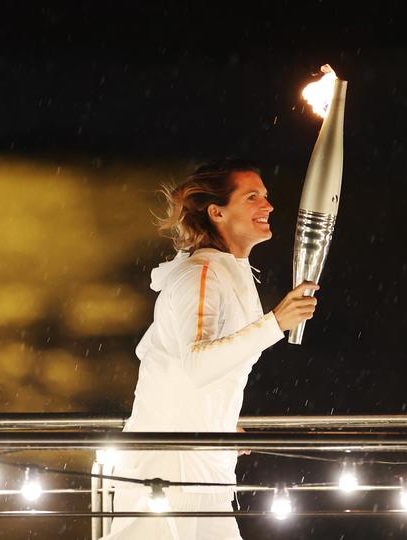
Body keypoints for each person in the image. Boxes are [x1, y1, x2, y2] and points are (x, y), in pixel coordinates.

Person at [103, 159, 318, 540]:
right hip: (170, 468)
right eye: (252, 197)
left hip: (199, 461)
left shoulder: (230, 270)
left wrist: (215, 421)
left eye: (265, 196)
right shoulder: (199, 274)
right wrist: (275, 323)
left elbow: (205, 373)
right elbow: (197, 364)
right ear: (217, 212)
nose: (267, 206)